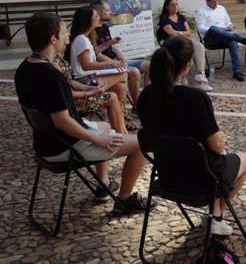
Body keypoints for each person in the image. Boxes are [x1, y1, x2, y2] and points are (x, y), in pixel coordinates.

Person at [14, 12, 153, 214]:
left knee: (107, 126)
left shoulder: (24, 68)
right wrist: (98, 140)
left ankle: (104, 183)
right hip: (63, 146)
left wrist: (88, 94)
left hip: (45, 142)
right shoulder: (51, 76)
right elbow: (62, 121)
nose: (67, 37)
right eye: (63, 33)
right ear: (53, 39)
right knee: (140, 145)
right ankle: (125, 200)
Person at [137, 37, 246, 236]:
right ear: (188, 65)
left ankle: (215, 215)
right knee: (245, 159)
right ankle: (216, 216)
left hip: (167, 177)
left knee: (214, 160)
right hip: (202, 181)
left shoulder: (146, 96)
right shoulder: (195, 98)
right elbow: (216, 145)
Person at [66, 7, 129, 131]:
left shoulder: (83, 38)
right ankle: (98, 93)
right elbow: (87, 65)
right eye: (96, 16)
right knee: (123, 75)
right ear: (87, 21)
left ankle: (120, 127)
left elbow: (93, 55)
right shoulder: (82, 39)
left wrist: (109, 44)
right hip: (85, 80)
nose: (99, 18)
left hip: (89, 76)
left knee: (121, 88)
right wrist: (111, 63)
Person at [91, 0, 150, 106]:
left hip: (115, 61)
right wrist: (116, 64)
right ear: (98, 12)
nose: (112, 12)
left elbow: (113, 47)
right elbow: (96, 54)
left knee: (149, 65)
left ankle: (148, 98)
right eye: (108, 10)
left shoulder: (104, 26)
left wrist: (122, 59)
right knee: (134, 72)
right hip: (105, 65)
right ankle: (138, 106)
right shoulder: (91, 31)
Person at [53, 53, 129, 134]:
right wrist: (89, 93)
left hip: (76, 95)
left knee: (120, 88)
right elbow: (65, 93)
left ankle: (122, 130)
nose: (67, 40)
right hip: (73, 104)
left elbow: (71, 81)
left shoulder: (57, 56)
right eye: (64, 39)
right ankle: (121, 134)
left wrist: (89, 88)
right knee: (112, 96)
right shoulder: (53, 62)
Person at [158, 0, 212, 91]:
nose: (175, 7)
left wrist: (178, 33)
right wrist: (182, 34)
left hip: (184, 42)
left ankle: (201, 75)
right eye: (172, 5)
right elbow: (171, 33)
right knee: (190, 48)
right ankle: (180, 80)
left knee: (199, 45)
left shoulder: (181, 17)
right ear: (167, 7)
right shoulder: (164, 18)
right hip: (171, 44)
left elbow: (188, 32)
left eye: (176, 4)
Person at [195, 0, 246, 82]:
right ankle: (239, 39)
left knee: (232, 41)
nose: (216, 4)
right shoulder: (201, 11)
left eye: (217, 1)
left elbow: (228, 23)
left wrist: (230, 26)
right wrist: (219, 29)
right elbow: (200, 28)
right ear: (207, 0)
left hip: (224, 37)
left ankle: (236, 71)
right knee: (214, 28)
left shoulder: (221, 8)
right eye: (213, 2)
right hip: (210, 40)